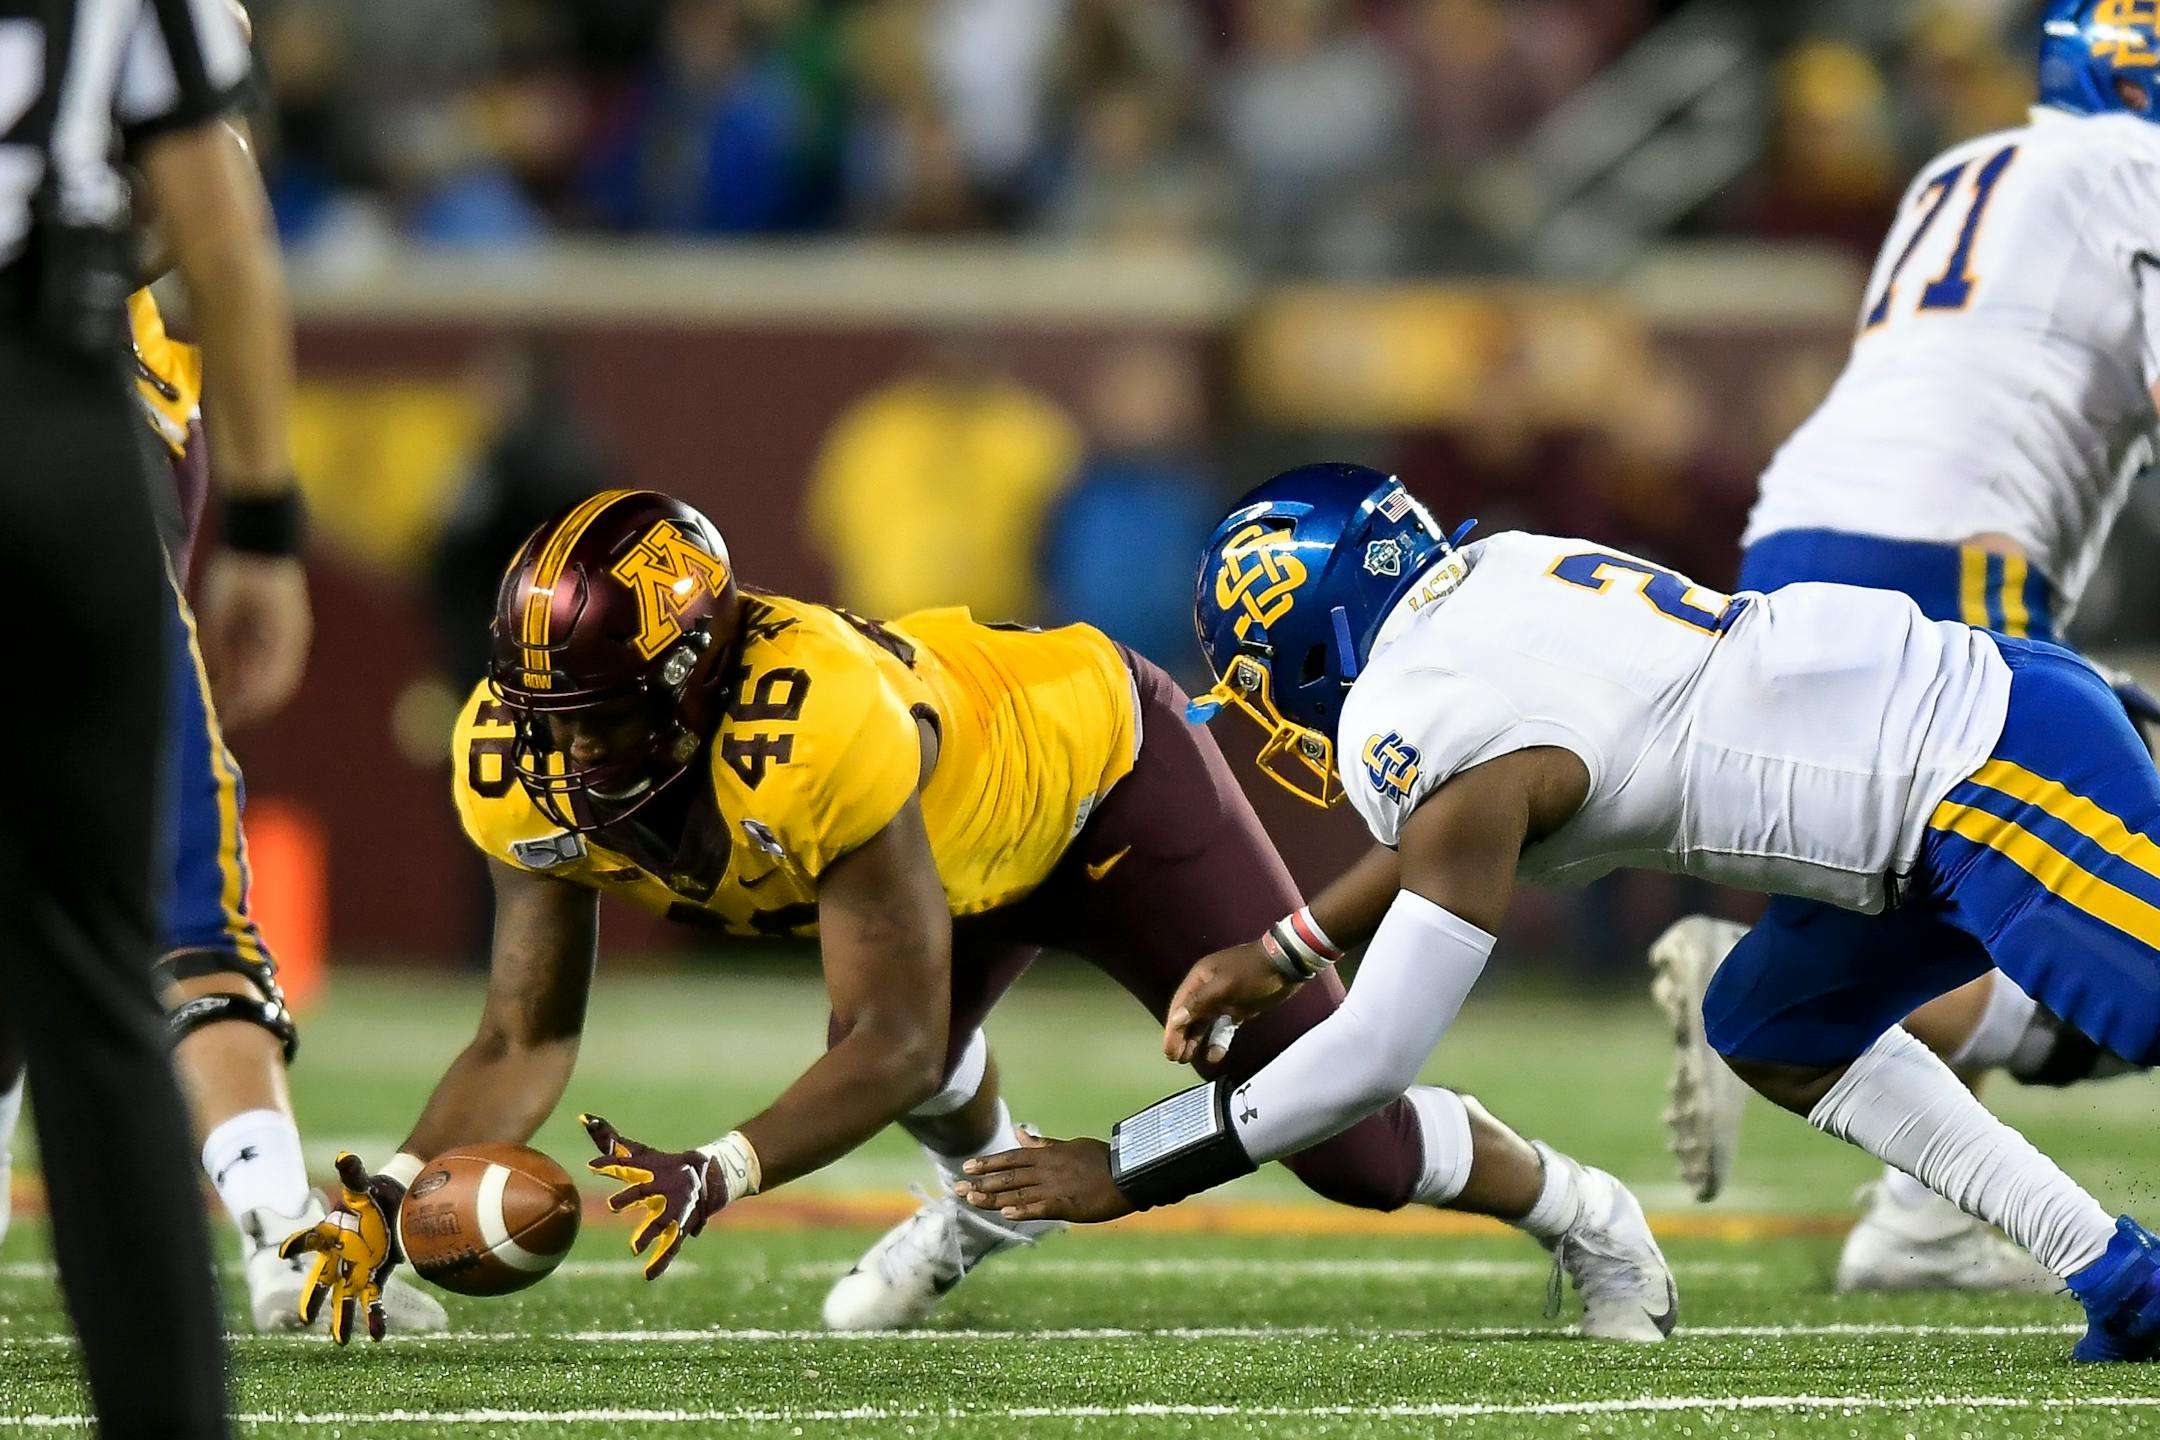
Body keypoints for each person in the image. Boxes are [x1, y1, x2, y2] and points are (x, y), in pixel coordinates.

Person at [278, 487, 1675, 1345]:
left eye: (603, 717)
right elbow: (523, 1034)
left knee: (1349, 1145)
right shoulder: (517, 758)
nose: (570, 756)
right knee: (922, 1047)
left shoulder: (812, 719)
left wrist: (723, 1167)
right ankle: (989, 1195)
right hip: (953, 854)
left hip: (1098, 782)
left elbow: (880, 1042)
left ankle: (1586, 1211)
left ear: (699, 675)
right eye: (551, 718)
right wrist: (397, 1196)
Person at [953, 464, 2160, 1365]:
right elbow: (1479, 817)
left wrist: (1130, 1163)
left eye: (1264, 673)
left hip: (1989, 771)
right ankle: (2120, 1279)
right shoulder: (1495, 578)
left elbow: (1372, 1057)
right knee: (1775, 1024)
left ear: (1309, 632)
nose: (1276, 713)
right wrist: (1286, 947)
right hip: (1934, 785)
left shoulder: (1416, 719)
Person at [1650, 0, 2160, 1295]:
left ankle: (1918, 1218)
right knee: (2033, 883)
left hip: (1804, 531)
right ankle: (1768, 994)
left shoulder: (1968, 162)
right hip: (1948, 544)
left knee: (1949, 892)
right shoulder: (2135, 173)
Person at [0, 30, 443, 1334]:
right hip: (73, 519)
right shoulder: (98, 311)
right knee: (182, 888)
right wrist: (266, 536)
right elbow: (209, 228)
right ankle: (271, 1224)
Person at [0, 0, 292, 1432]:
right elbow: (215, 214)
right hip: (50, 401)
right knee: (101, 977)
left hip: (75, 388)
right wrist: (272, 520)